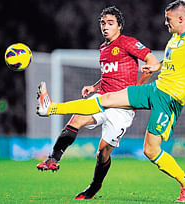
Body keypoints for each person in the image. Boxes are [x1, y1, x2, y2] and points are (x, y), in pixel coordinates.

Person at [37, 0, 185, 202]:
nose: (165, 23)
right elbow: (173, 62)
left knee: (150, 150)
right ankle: (50, 108)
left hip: (169, 100)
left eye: (168, 19)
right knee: (107, 98)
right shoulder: (175, 39)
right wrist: (158, 67)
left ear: (181, 18)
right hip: (155, 89)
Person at [36, 6, 159, 200]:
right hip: (102, 97)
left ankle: (95, 185)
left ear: (119, 25)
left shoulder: (128, 42)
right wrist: (94, 87)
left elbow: (151, 61)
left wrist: (137, 87)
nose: (105, 27)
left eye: (110, 23)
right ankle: (53, 158)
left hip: (122, 106)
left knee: (103, 153)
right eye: (102, 23)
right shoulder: (103, 48)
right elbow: (109, 74)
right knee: (76, 119)